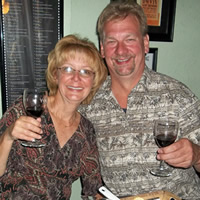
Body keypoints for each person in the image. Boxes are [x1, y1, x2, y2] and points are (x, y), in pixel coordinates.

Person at [79, 0, 200, 199]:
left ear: (145, 43)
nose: (120, 50)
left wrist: (195, 154)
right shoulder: (89, 102)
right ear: (102, 49)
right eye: (111, 41)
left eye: (129, 39)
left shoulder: (179, 97)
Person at [0, 34, 107, 199]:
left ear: (94, 80)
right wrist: (8, 136)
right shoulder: (25, 109)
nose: (76, 78)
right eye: (68, 69)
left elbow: (94, 188)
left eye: (85, 71)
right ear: (55, 75)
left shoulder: (86, 131)